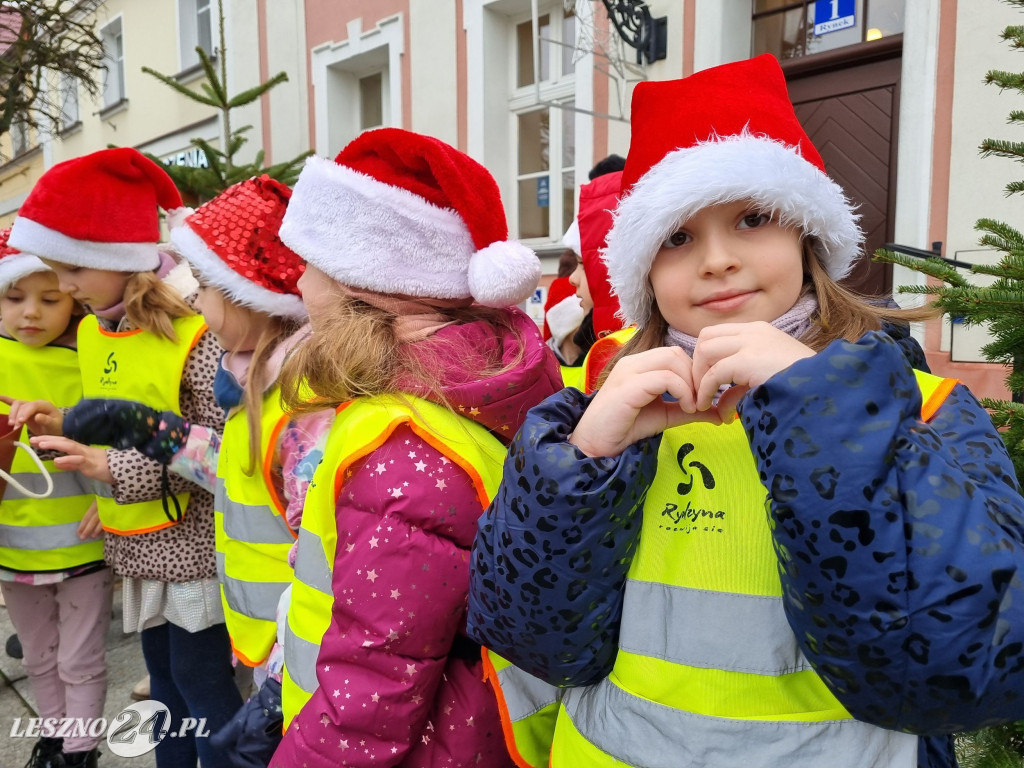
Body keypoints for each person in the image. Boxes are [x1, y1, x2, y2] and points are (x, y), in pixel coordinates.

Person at [467, 54, 1024, 768]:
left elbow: (976, 663)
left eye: (753, 218)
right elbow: (532, 640)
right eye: (677, 237)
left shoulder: (924, 410)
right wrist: (581, 466)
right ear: (644, 272)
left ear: (807, 236)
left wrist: (826, 419)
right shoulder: (596, 414)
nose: (717, 260)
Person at [267, 127, 563, 767]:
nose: (298, 286)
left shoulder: (402, 449)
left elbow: (376, 675)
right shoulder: (458, 392)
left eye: (309, 266)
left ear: (360, 289)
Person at [56, 175, 314, 768]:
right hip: (231, 584)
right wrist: (143, 427)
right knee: (169, 684)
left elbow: (257, 482)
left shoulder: (297, 399)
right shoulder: (249, 371)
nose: (196, 302)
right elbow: (231, 464)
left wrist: (138, 441)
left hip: (258, 599)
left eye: (206, 287)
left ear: (252, 293)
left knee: (203, 695)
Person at [5, 147, 243, 768]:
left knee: (202, 688)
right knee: (164, 688)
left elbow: (218, 456)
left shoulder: (194, 334)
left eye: (72, 269)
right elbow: (115, 419)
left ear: (119, 260)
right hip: (138, 547)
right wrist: (58, 422)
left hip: (192, 553)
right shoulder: (93, 328)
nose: (61, 287)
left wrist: (106, 468)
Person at [0, 236, 109, 768]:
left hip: (83, 545)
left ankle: (79, 753)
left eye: (48, 299)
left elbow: (114, 435)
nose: (30, 313)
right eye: (13, 298)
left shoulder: (88, 357)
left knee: (80, 659)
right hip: (11, 547)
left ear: (72, 298)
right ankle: (52, 741)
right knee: (39, 657)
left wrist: (110, 500)